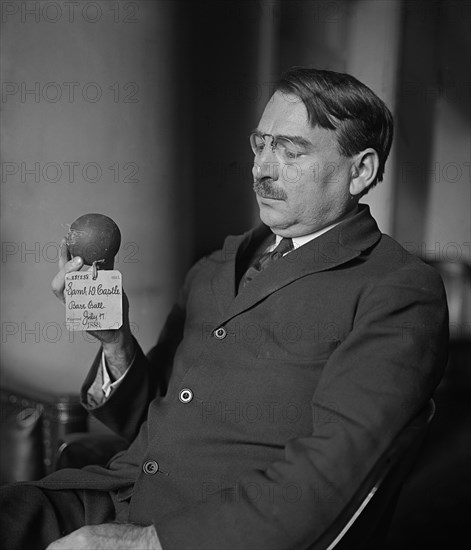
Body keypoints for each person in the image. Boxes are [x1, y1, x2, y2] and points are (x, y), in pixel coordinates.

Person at [1, 67, 448, 550]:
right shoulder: (215, 266)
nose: (262, 168)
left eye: (291, 151)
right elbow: (156, 421)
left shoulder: (398, 289)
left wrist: (149, 543)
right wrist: (115, 340)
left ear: (359, 171)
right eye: (261, 144)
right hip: (108, 497)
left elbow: (331, 473)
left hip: (206, 532)